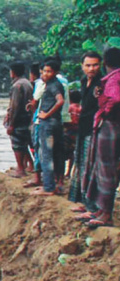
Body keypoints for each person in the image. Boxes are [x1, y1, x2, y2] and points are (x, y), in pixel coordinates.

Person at [83, 47, 120, 227]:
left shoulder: (114, 79)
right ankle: (100, 209)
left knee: (106, 169)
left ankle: (106, 214)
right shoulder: (112, 79)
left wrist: (104, 110)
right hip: (111, 127)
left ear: (105, 63)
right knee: (101, 168)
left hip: (110, 127)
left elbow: (115, 99)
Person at [71, 51, 104, 210]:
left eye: (95, 65)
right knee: (81, 163)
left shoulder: (102, 83)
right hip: (83, 127)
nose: (92, 68)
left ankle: (92, 205)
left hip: (96, 129)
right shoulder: (84, 82)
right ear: (82, 66)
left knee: (91, 167)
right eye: (88, 65)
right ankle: (83, 200)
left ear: (101, 65)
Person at [32, 60, 65, 196]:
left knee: (46, 155)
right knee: (56, 154)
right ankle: (55, 184)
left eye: (48, 71)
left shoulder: (53, 86)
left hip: (48, 123)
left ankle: (49, 187)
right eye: (44, 71)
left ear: (56, 72)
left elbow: (60, 101)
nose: (44, 74)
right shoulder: (55, 84)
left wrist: (46, 114)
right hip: (56, 122)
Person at [4, 61, 33, 178]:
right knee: (24, 143)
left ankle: (21, 169)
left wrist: (11, 123)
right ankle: (29, 165)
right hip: (27, 118)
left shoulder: (17, 86)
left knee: (17, 144)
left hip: (19, 119)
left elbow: (15, 106)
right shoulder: (27, 83)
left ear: (13, 72)